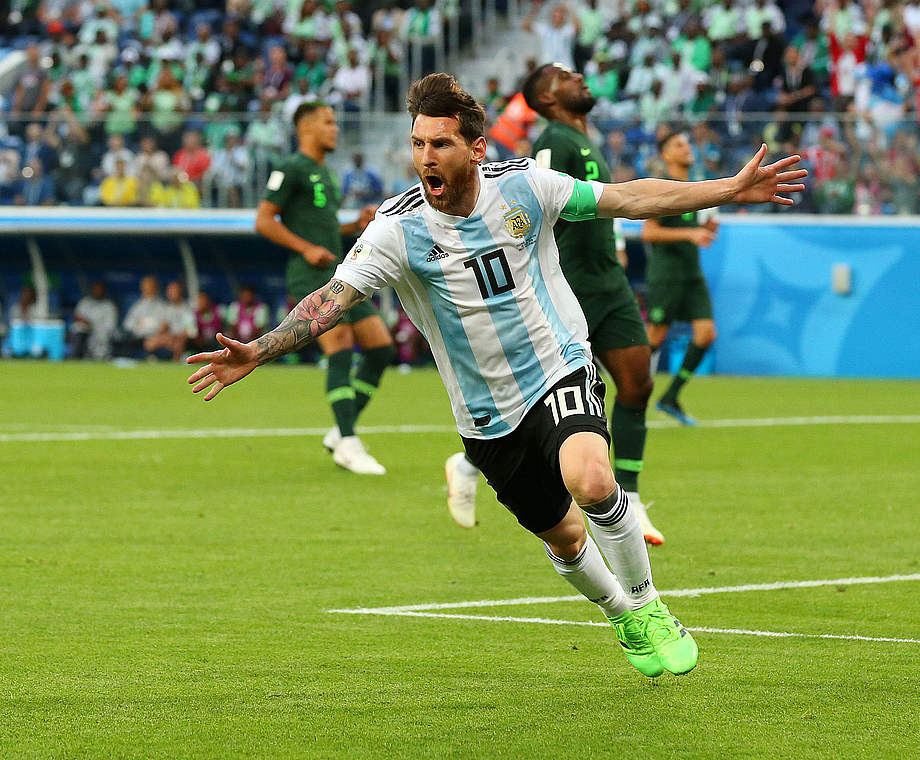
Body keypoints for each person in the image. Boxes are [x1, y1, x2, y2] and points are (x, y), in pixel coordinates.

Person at [184, 72, 806, 677]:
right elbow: (333, 298)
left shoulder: (527, 188)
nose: (426, 158)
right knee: (563, 537)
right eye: (418, 144)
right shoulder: (395, 232)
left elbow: (629, 197)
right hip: (484, 413)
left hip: (558, 366)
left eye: (442, 144)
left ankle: (647, 604)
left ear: (476, 147)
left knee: (590, 481)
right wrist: (260, 349)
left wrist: (726, 188)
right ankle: (621, 613)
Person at [450, 62, 664, 542]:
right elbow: (535, 202)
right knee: (552, 389)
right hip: (569, 284)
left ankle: (628, 495)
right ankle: (470, 464)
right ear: (545, 99)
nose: (580, 78)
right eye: (564, 77)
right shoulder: (554, 142)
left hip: (608, 280)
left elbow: (603, 204)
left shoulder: (584, 138)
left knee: (637, 384)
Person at [256, 102, 396, 475]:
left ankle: (340, 431)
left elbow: (326, 230)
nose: (335, 129)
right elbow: (264, 220)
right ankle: (349, 442)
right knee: (341, 347)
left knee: (381, 348)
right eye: (328, 123)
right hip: (309, 273)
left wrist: (354, 225)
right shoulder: (291, 168)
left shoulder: (326, 174)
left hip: (340, 273)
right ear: (306, 128)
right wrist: (305, 248)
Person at [643, 131, 719, 425]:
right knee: (656, 337)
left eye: (687, 143)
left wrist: (707, 227)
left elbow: (702, 230)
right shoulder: (664, 188)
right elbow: (649, 232)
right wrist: (690, 233)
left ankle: (670, 396)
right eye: (678, 145)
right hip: (667, 275)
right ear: (666, 155)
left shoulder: (696, 189)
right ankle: (622, 390)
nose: (687, 148)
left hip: (692, 274)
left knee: (706, 334)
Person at [71, 281, 118, 360]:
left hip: (101, 333)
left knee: (101, 340)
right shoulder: (85, 301)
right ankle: (76, 357)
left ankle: (99, 357)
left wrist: (92, 325)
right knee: (78, 329)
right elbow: (76, 316)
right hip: (85, 332)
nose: (97, 291)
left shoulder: (109, 305)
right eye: (95, 289)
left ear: (104, 291)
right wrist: (86, 323)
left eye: (100, 289)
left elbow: (110, 326)